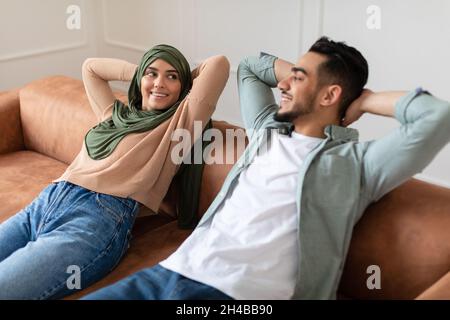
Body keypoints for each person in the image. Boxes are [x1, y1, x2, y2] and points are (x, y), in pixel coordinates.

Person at [82, 37, 450, 300]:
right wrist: (302, 78)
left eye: (299, 77)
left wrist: (364, 100)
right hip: (168, 273)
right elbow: (250, 69)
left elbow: (437, 117)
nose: (285, 83)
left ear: (330, 95)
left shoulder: (356, 164)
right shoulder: (266, 130)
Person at [0, 44, 230, 299]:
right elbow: (91, 68)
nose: (160, 83)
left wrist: (181, 77)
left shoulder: (179, 126)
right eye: (152, 73)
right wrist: (142, 73)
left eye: (172, 76)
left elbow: (219, 64)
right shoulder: (113, 115)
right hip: (42, 205)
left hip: (92, 222)